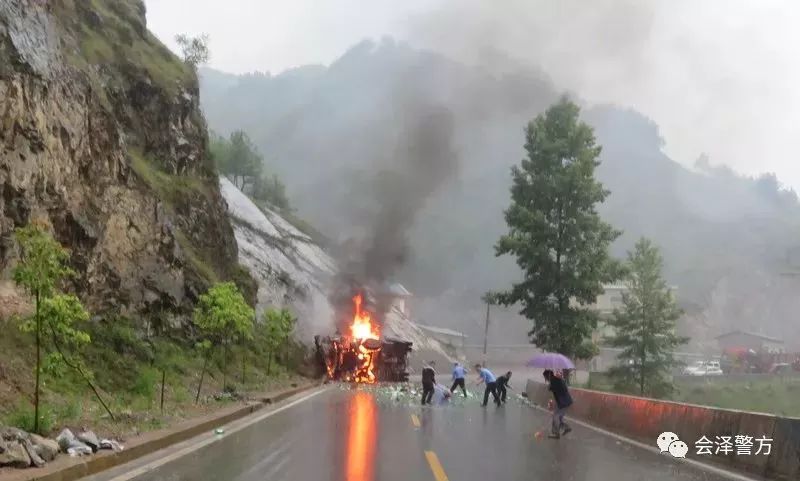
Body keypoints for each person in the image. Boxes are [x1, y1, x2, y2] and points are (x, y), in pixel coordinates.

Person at [543, 369, 573, 438]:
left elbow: (549, 388)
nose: (545, 379)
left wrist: (550, 383)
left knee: (555, 417)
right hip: (565, 401)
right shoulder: (556, 379)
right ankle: (566, 427)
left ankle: (556, 434)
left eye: (545, 377)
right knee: (558, 418)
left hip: (563, 402)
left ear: (548, 376)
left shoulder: (554, 381)